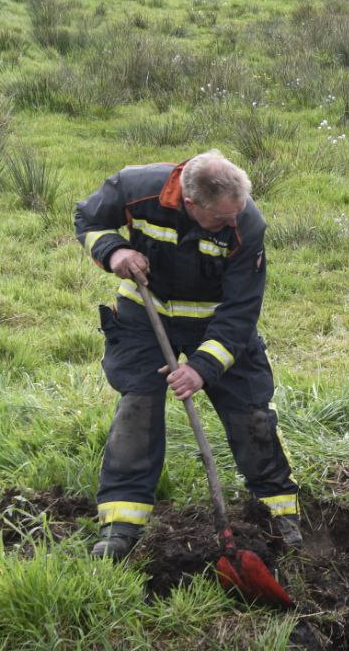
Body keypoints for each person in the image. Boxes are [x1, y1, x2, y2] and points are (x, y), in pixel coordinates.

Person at [75, 151, 301, 559]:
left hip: (217, 322)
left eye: (237, 212)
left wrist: (202, 368)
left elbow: (241, 312)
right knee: (138, 408)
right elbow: (88, 220)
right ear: (191, 203)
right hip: (146, 313)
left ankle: (278, 515)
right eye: (222, 218)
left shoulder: (245, 223)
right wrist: (113, 251)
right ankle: (121, 524)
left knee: (251, 413)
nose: (232, 222)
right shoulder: (135, 188)